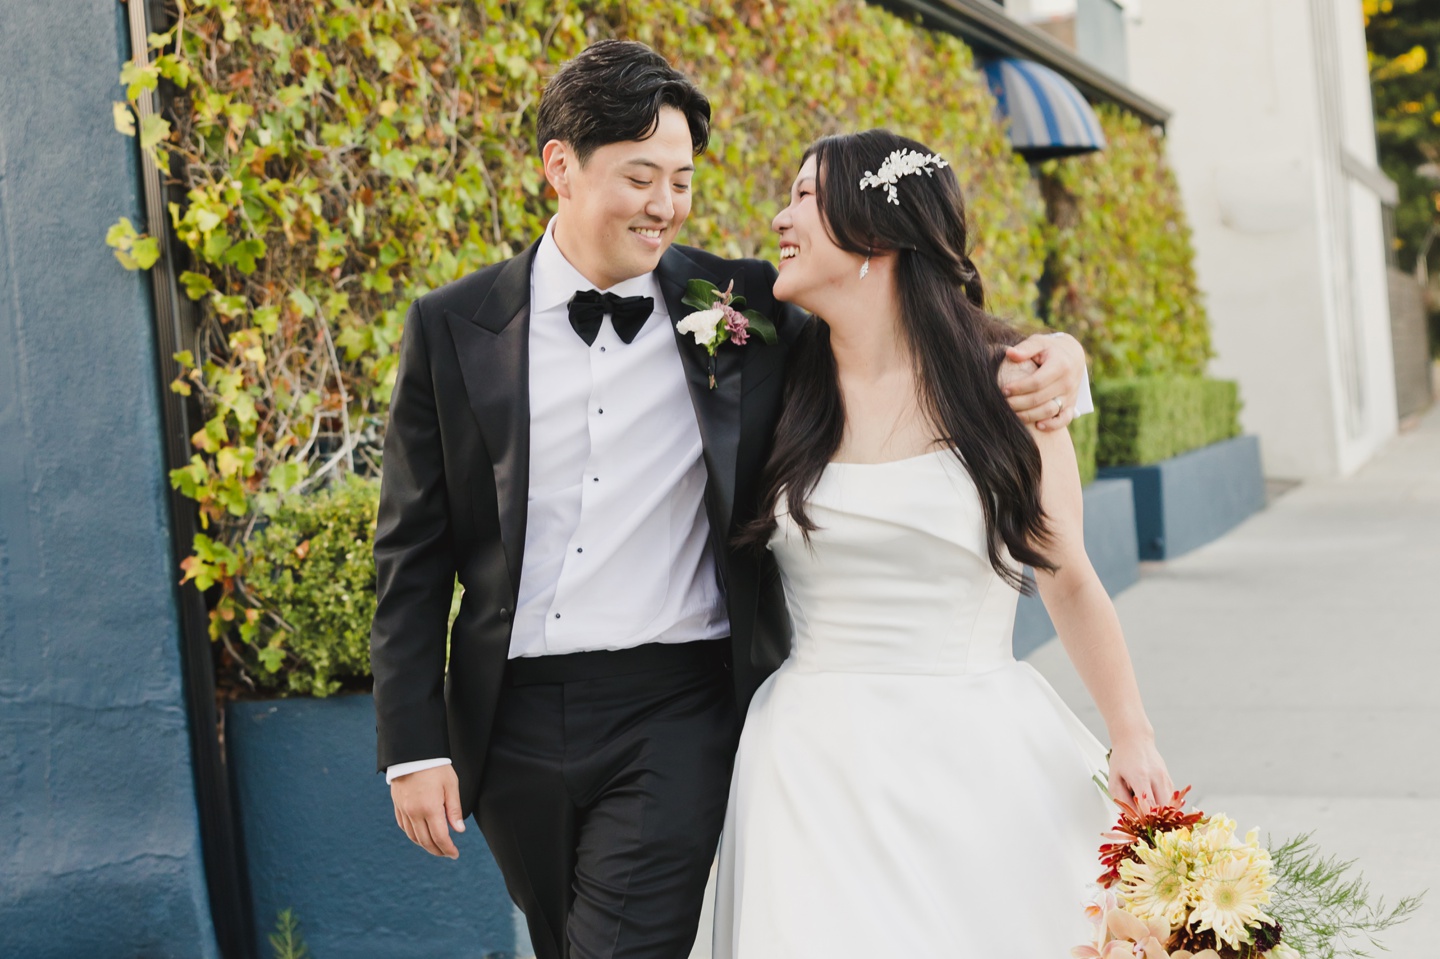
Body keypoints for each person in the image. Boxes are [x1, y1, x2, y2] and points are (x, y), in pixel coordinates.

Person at [370, 42, 1091, 959]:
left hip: (677, 702)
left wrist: (1055, 351)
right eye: (640, 177)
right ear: (560, 166)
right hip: (513, 712)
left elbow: (908, 317)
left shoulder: (740, 302)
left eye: (681, 179)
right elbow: (412, 552)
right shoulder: (453, 324)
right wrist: (412, 741)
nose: (666, 204)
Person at [711, 130, 1173, 958]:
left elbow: (1068, 580)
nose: (780, 216)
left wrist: (1130, 729)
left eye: (806, 196)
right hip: (809, 767)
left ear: (879, 234)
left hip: (977, 755)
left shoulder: (1012, 387)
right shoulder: (775, 377)